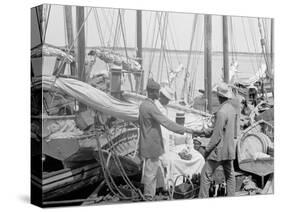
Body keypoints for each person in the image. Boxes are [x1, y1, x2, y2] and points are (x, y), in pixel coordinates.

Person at [139, 79, 195, 200]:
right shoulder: (151, 107)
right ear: (152, 92)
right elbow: (167, 123)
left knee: (152, 173)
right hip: (152, 146)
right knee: (150, 174)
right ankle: (148, 198)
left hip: (149, 144)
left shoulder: (143, 105)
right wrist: (187, 130)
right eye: (157, 92)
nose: (158, 95)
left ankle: (150, 196)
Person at [198, 82, 240, 198]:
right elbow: (229, 131)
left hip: (219, 151)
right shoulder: (232, 109)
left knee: (205, 175)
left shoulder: (221, 112)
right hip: (229, 149)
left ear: (219, 96)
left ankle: (203, 199)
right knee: (230, 176)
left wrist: (206, 151)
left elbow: (216, 136)